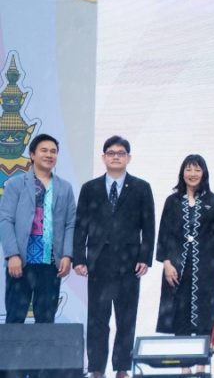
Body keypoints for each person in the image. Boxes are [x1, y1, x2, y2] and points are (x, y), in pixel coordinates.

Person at [73, 135, 155, 378]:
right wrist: (79, 258)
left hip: (129, 264)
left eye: (121, 153)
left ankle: (122, 368)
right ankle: (96, 369)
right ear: (103, 157)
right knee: (97, 319)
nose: (116, 157)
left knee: (126, 319)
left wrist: (145, 257)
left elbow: (149, 226)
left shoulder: (141, 187)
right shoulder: (90, 188)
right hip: (98, 262)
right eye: (111, 153)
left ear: (129, 157)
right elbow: (80, 226)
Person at [155, 155, 214, 374]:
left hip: (207, 269)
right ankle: (184, 369)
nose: (193, 174)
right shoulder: (172, 201)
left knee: (207, 318)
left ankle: (202, 368)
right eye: (188, 169)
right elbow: (164, 234)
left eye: (197, 170)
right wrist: (167, 262)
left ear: (204, 173)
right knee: (181, 317)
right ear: (182, 173)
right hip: (178, 268)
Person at [1, 133, 76, 323]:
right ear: (32, 154)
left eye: (53, 151)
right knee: (15, 319)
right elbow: (5, 220)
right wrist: (12, 255)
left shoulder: (65, 188)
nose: (49, 155)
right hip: (21, 262)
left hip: (51, 263)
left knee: (46, 321)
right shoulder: (15, 184)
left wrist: (67, 255)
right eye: (44, 150)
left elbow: (70, 223)